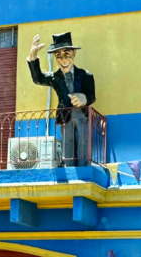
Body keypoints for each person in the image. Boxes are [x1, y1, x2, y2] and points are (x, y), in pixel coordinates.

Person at [26, 32, 96, 167]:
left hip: (82, 115)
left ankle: (84, 165)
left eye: (67, 55)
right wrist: (33, 58)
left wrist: (84, 98)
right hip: (64, 116)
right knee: (67, 143)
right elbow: (38, 79)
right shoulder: (54, 77)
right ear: (55, 57)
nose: (63, 60)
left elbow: (92, 96)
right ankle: (69, 166)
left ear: (73, 54)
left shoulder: (86, 75)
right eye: (59, 56)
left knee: (83, 141)